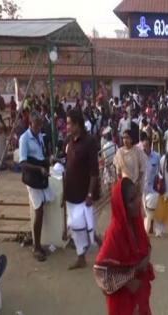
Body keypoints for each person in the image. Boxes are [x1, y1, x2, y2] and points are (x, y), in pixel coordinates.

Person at [95, 178, 154, 315]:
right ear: (121, 204)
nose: (137, 202)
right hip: (123, 299)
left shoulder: (136, 223)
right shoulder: (115, 232)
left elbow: (146, 245)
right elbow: (100, 270)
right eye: (131, 200)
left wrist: (146, 259)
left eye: (137, 196)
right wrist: (128, 280)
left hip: (139, 294)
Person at [65, 109, 100, 270]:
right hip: (71, 192)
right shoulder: (70, 142)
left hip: (84, 193)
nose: (67, 127)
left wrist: (90, 193)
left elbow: (94, 171)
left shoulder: (90, 142)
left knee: (87, 226)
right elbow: (68, 167)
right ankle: (81, 257)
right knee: (76, 226)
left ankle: (104, 246)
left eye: (69, 123)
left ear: (78, 124)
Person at [19, 111, 54, 262]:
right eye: (36, 124)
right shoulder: (24, 139)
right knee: (39, 210)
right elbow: (23, 163)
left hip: (41, 174)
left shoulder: (39, 136)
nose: (39, 127)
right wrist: (39, 169)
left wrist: (49, 160)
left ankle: (41, 241)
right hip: (32, 176)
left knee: (48, 201)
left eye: (40, 124)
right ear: (30, 123)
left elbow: (40, 156)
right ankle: (36, 247)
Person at [142, 137, 160, 233]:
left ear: (150, 146)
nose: (145, 148)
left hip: (153, 188)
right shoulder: (140, 157)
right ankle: (148, 225)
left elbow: (160, 171)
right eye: (143, 146)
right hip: (143, 188)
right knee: (145, 209)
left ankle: (151, 226)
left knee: (152, 208)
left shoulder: (156, 156)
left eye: (146, 146)